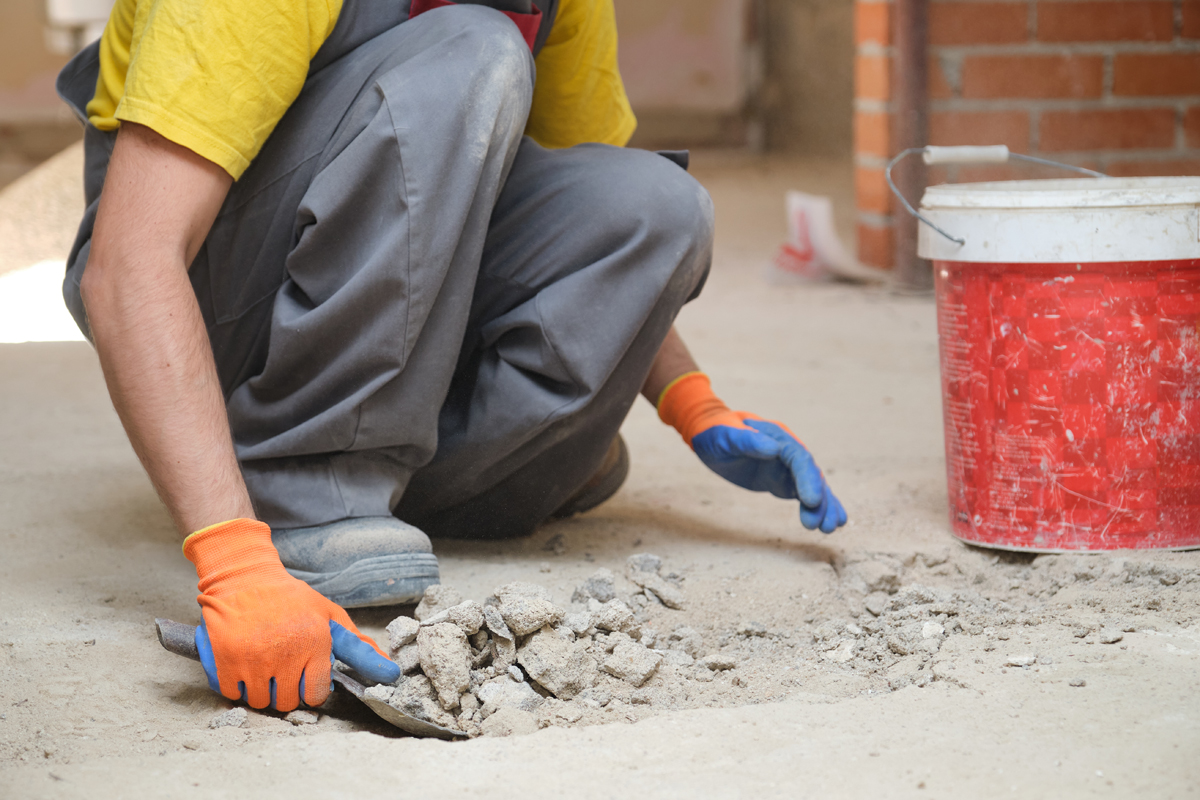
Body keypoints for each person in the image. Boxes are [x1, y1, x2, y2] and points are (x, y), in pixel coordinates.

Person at [56, 0, 847, 713]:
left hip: (383, 274)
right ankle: (297, 480)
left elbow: (584, 207)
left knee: (656, 208)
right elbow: (129, 265)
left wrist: (690, 400)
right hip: (220, 293)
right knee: (474, 46)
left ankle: (433, 488)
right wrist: (230, 557)